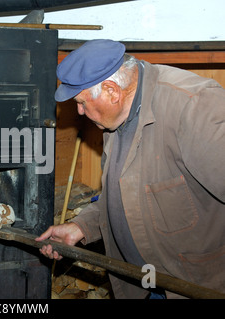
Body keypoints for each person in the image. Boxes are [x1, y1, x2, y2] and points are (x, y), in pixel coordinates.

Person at [35, 39, 225, 299]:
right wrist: (81, 227)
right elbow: (125, 193)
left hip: (194, 286)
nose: (79, 112)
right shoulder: (117, 113)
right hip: (143, 283)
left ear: (112, 90)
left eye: (81, 102)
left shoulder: (195, 106)